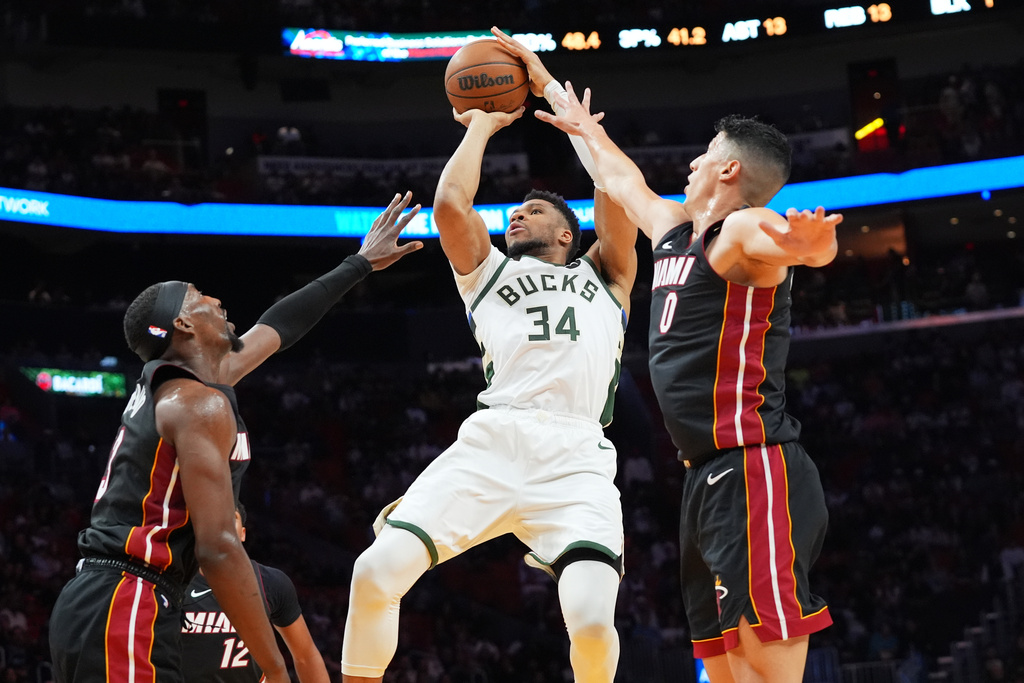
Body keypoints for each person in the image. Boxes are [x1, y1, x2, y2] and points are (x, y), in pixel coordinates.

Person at [493, 25, 843, 683]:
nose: (691, 162)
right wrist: (545, 83)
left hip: (752, 467)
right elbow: (613, 171)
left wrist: (809, 246)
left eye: (705, 153)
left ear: (729, 169)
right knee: (729, 664)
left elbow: (792, 246)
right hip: (705, 478)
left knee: (768, 658)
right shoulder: (674, 228)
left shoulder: (743, 227)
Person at [340, 50, 638, 683]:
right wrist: (479, 122)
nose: (518, 214)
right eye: (516, 212)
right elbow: (451, 202)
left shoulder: (606, 272)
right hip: (492, 442)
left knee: (589, 621)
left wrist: (574, 118)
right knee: (374, 573)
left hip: (577, 457)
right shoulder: (488, 273)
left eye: (535, 211)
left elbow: (616, 189)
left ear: (567, 233)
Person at [49, 193, 423, 683]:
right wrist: (274, 667)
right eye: (200, 296)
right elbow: (219, 548)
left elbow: (278, 326)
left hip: (114, 597)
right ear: (182, 324)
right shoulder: (195, 403)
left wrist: (358, 264)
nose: (216, 300)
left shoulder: (192, 384)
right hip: (126, 597)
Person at [181, 502, 329, 683]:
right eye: (216, 516)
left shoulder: (270, 582)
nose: (223, 522)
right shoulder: (174, 582)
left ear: (243, 533)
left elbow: (305, 655)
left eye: (231, 517)